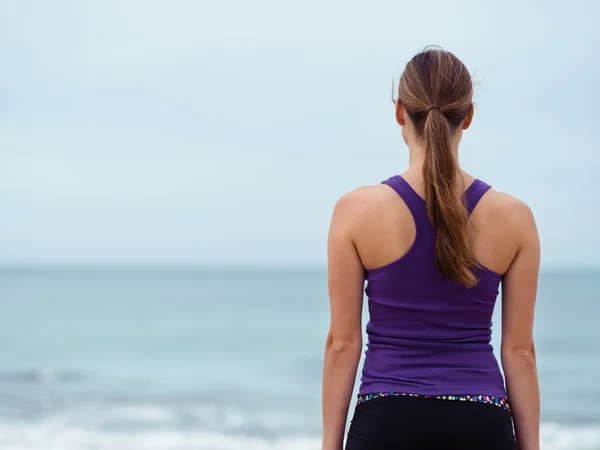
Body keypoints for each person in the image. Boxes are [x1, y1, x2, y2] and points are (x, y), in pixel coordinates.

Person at [321, 48, 540, 450]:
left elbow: (342, 344)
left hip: (387, 420)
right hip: (482, 421)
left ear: (400, 112)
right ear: (468, 116)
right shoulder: (515, 217)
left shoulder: (355, 211)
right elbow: (520, 352)